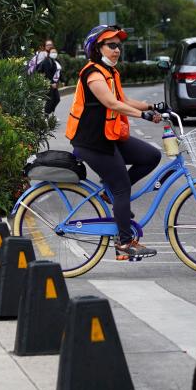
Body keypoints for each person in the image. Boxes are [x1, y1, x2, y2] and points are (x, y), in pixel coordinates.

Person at [66, 25, 165, 260]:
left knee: (151, 156)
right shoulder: (93, 74)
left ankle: (109, 195)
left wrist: (153, 106)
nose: (117, 50)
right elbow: (113, 104)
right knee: (122, 187)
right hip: (92, 143)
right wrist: (144, 116)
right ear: (96, 48)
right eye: (111, 45)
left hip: (108, 137)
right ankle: (124, 242)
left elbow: (124, 99)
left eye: (119, 46)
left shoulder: (111, 73)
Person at [35, 39, 62, 115]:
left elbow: (57, 71)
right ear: (45, 46)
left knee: (56, 99)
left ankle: (48, 115)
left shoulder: (54, 59)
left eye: (51, 45)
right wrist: (50, 83)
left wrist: (58, 81)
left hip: (53, 83)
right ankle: (46, 116)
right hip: (46, 82)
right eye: (48, 45)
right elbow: (43, 72)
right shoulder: (43, 57)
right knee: (50, 100)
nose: (49, 46)